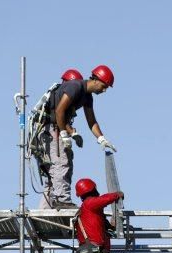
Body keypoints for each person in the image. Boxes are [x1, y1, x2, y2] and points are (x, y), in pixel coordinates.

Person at [38, 65, 117, 209]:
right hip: (51, 130)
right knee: (62, 164)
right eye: (104, 86)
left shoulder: (87, 97)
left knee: (54, 173)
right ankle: (62, 200)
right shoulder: (75, 86)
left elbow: (91, 121)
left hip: (55, 129)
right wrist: (63, 133)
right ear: (96, 80)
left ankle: (45, 208)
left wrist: (101, 139)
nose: (104, 90)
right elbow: (59, 110)